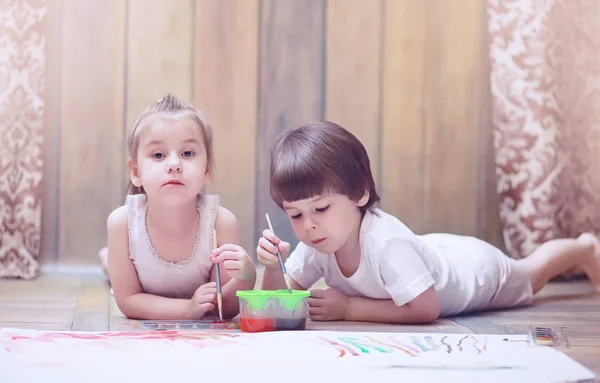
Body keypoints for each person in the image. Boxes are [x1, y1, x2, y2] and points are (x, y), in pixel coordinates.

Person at [256, 121, 600, 324]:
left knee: (532, 274)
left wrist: (348, 307)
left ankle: (583, 247)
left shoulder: (385, 244)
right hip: (432, 252)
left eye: (321, 208)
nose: (309, 225)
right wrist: (271, 267)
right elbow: (279, 301)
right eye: (295, 214)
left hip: (476, 272)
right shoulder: (319, 242)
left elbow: (425, 309)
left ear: (360, 193)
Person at [106, 94, 256, 320]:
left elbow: (226, 308)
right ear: (136, 172)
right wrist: (186, 310)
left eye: (187, 153)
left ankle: (107, 259)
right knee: (111, 271)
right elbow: (128, 300)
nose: (174, 164)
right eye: (158, 155)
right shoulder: (122, 224)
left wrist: (246, 277)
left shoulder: (220, 223)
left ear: (207, 169)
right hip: (142, 278)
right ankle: (106, 259)